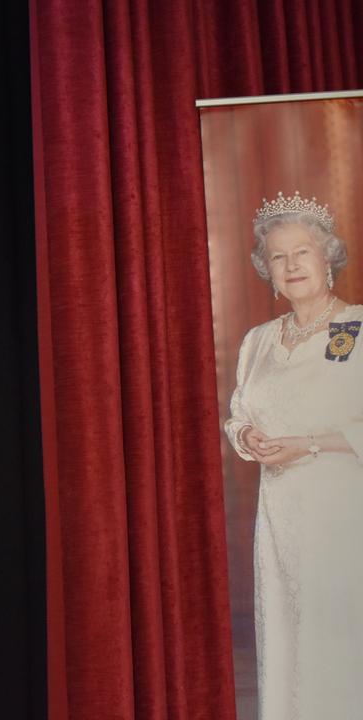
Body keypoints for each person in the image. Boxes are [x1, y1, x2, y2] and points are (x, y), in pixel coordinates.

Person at [225, 191, 363, 718]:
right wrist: (249, 437)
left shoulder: (354, 327)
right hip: (279, 519)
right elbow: (239, 413)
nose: (291, 265)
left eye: (302, 252)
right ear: (269, 272)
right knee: (288, 635)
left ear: (326, 258)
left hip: (340, 511)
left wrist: (307, 444)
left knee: (339, 636)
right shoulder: (258, 340)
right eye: (279, 257)